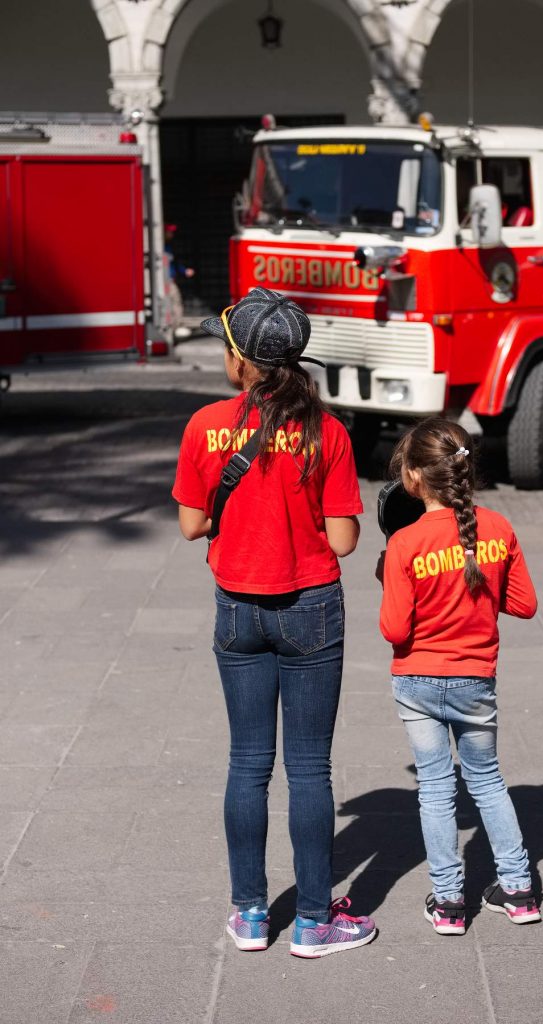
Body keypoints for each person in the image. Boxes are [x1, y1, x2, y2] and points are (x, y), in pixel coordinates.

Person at [172, 287, 376, 958]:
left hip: (238, 609)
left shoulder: (204, 426)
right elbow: (345, 541)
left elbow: (190, 524)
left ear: (241, 362)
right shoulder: (329, 430)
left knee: (247, 764)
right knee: (309, 769)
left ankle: (252, 915)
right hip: (310, 608)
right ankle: (316, 922)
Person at [377, 417, 541, 934]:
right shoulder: (498, 530)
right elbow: (524, 604)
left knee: (435, 788)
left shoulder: (406, 542)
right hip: (475, 681)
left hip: (419, 681)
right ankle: (517, 889)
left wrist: (389, 577)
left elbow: (393, 628)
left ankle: (448, 903)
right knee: (488, 781)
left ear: (412, 477)